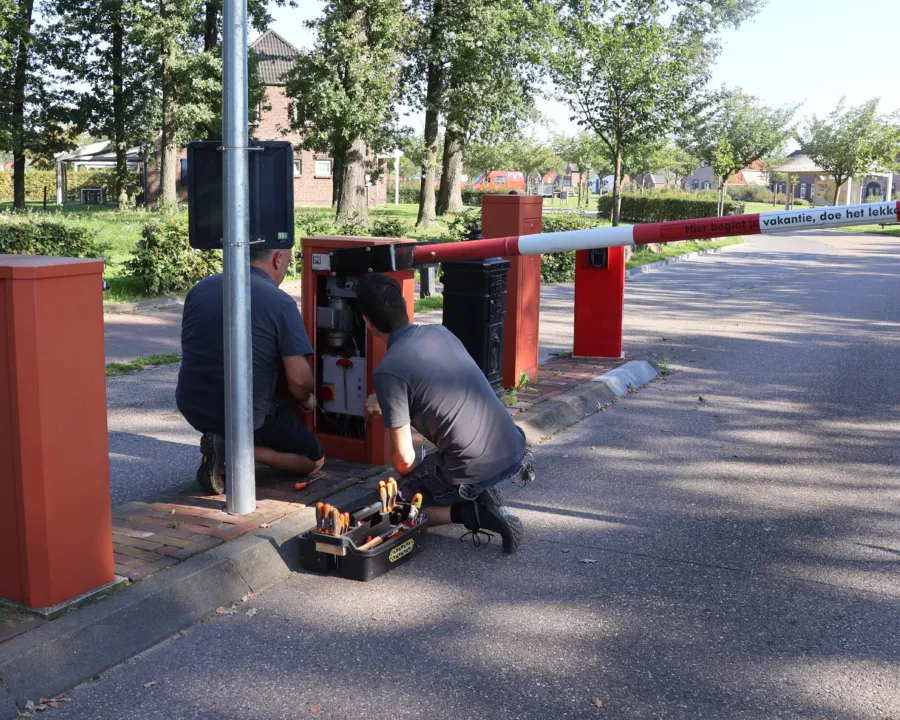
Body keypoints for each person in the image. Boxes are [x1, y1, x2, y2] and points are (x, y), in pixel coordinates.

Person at [355, 272, 535, 554]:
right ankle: (474, 489)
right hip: (512, 446)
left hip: (474, 466)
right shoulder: (439, 332)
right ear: (404, 305)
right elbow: (433, 386)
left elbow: (404, 461)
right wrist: (388, 401)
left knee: (391, 508)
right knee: (434, 471)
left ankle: (473, 512)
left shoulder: (388, 371)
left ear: (367, 322)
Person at [175, 247, 325, 494]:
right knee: (313, 459)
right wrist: (307, 399)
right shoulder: (280, 302)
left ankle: (222, 449)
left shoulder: (201, 288)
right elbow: (299, 380)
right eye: (289, 262)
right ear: (278, 259)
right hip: (246, 415)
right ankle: (235, 450)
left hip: (194, 406)